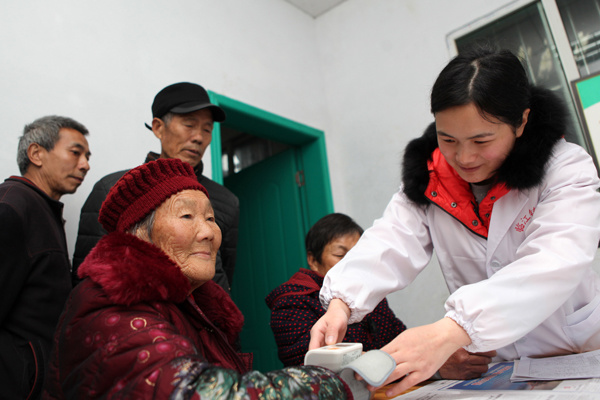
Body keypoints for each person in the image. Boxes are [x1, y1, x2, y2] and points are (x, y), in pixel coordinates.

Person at [309, 46, 600, 397]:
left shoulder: (566, 169)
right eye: (448, 139)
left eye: (481, 140)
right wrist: (342, 300)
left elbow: (555, 261)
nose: (464, 157)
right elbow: (391, 239)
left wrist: (449, 331)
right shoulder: (430, 180)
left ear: (522, 122)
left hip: (578, 352)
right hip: (502, 364)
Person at [43, 158, 362, 399]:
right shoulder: (110, 305)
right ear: (140, 234)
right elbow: (199, 392)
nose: (210, 232)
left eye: (211, 217)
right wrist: (330, 380)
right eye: (187, 216)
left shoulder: (193, 305)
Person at [266, 213, 493, 380]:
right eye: (340, 254)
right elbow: (326, 373)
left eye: (357, 256)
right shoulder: (291, 303)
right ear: (313, 260)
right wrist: (435, 368)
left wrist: (437, 352)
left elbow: (399, 339)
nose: (351, 265)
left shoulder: (368, 297)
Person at [72, 82, 239, 292]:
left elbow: (224, 274)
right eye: (189, 125)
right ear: (158, 128)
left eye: (207, 129)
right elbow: (86, 278)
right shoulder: (113, 188)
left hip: (203, 319)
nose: (198, 137)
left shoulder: (225, 200)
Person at [0, 116, 91, 399]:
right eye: (76, 153)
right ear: (36, 154)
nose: (86, 165)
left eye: (87, 156)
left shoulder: (42, 208)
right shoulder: (11, 207)